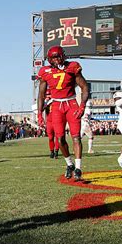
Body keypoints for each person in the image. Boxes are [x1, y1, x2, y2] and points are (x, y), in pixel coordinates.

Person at [37, 46, 89, 181]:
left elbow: (84, 87)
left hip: (71, 104)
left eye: (58, 56)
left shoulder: (72, 67)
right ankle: (69, 164)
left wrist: (82, 106)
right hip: (56, 106)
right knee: (59, 139)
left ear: (63, 56)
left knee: (76, 137)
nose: (57, 59)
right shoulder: (45, 71)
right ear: (50, 59)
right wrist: (39, 114)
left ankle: (78, 167)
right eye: (54, 57)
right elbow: (41, 95)